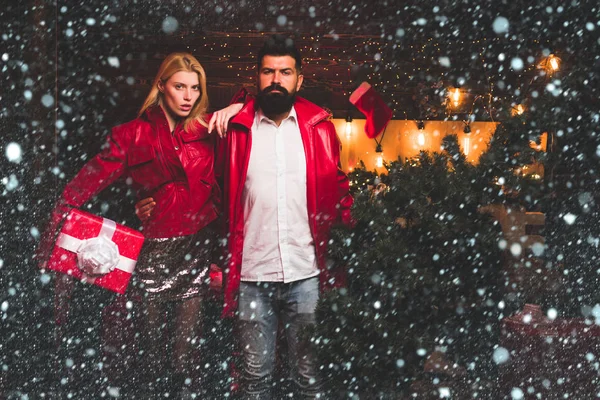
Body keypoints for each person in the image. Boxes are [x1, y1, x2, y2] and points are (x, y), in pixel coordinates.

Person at [138, 34, 354, 399]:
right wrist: (150, 198)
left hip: (308, 274)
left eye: (285, 72)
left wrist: (349, 250)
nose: (276, 79)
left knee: (310, 377)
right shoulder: (233, 129)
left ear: (299, 80)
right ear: (257, 77)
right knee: (254, 380)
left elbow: (340, 192)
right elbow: (192, 172)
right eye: (268, 71)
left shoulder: (321, 130)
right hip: (254, 276)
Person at [37, 52, 244, 398]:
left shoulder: (210, 129)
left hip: (195, 248)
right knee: (150, 354)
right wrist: (63, 216)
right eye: (180, 86)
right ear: (162, 86)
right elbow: (92, 180)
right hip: (151, 251)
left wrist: (237, 108)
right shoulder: (133, 134)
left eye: (195, 88)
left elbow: (253, 114)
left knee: (185, 355)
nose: (188, 96)